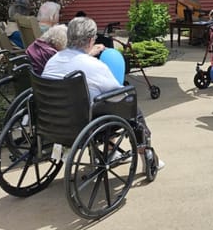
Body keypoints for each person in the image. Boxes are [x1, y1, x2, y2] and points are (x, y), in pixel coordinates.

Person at [42, 17, 164, 169]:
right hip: (83, 124)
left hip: (51, 120)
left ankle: (113, 152)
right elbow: (119, 96)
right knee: (131, 106)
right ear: (91, 39)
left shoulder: (53, 61)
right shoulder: (94, 66)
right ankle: (145, 154)